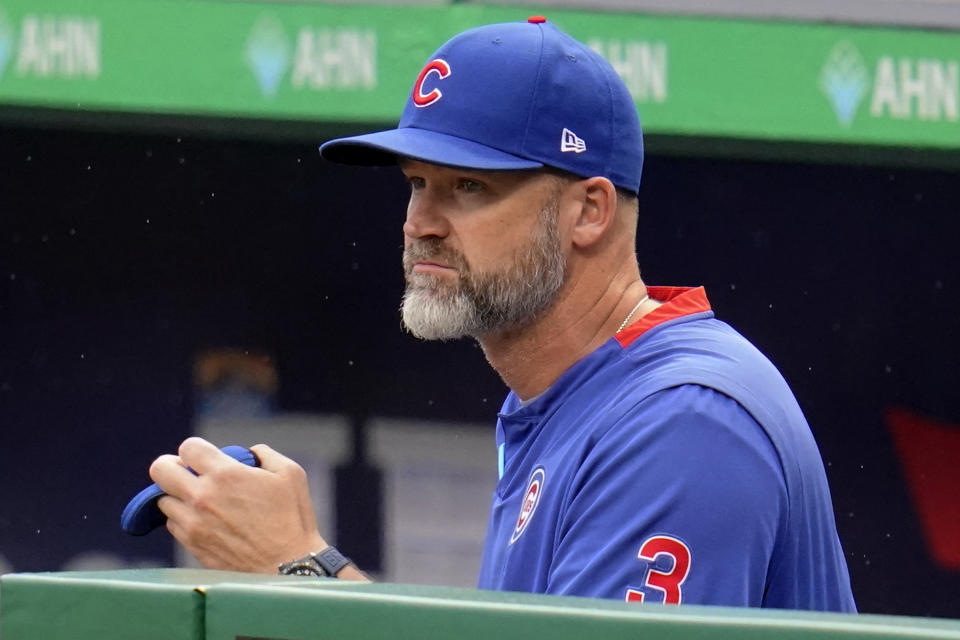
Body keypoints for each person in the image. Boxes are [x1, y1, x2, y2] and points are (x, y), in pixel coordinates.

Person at [149, 17, 856, 610]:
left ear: (589, 211)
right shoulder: (566, 403)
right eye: (417, 183)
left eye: (468, 186)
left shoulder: (683, 422)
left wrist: (298, 568)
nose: (420, 222)